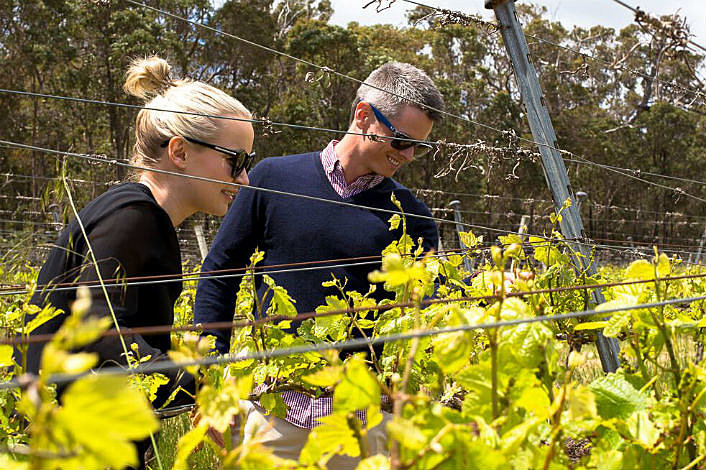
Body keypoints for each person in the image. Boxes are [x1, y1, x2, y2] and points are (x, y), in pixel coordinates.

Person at [194, 62, 444, 468]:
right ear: (364, 116)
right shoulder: (273, 179)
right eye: (401, 141)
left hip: (361, 426)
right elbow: (219, 275)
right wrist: (210, 380)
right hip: (271, 412)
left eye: (420, 146)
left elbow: (423, 312)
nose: (410, 156)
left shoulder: (411, 215)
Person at [17, 56, 253, 468]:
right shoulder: (133, 216)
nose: (245, 179)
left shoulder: (145, 218)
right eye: (237, 161)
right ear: (179, 151)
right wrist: (199, 385)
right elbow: (98, 333)